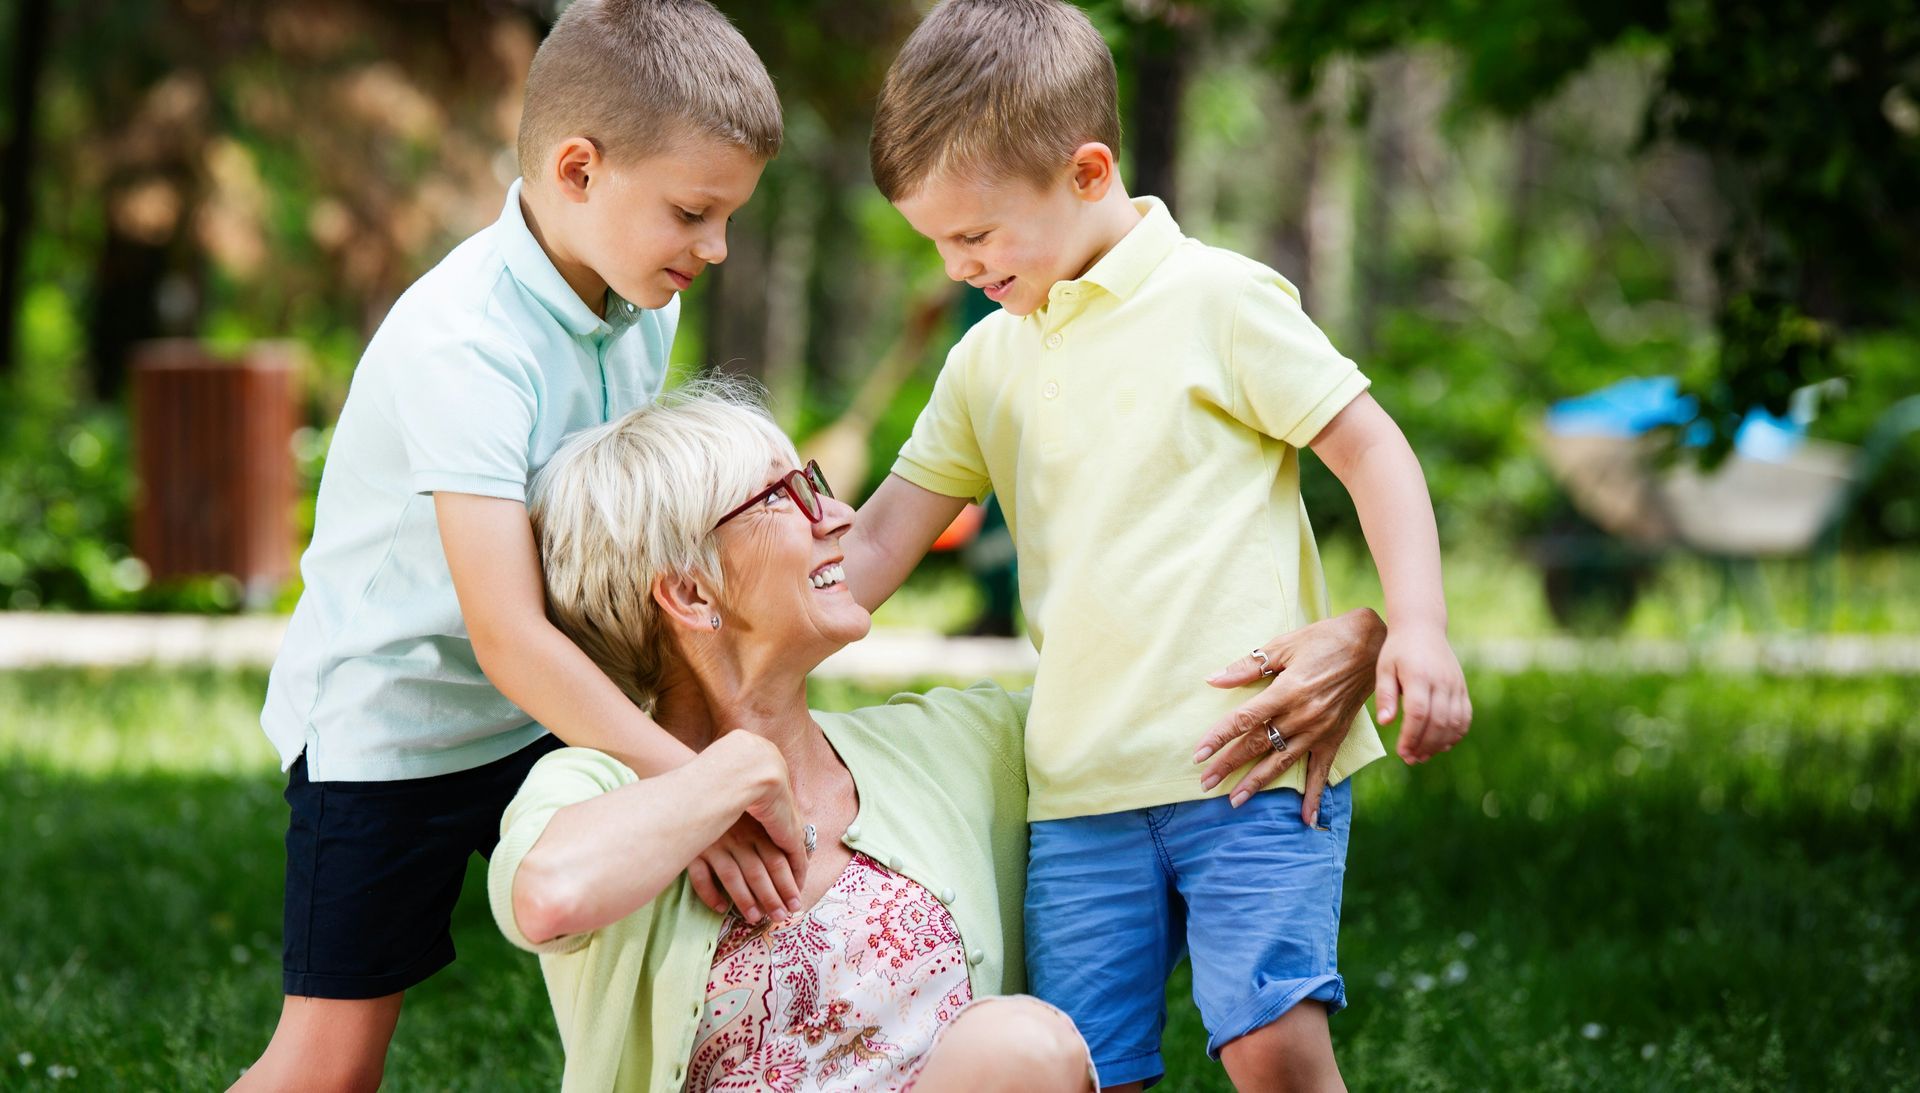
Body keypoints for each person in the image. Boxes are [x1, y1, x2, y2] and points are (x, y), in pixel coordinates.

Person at [844, 2, 1475, 1088]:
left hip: (1256, 760)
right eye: (938, 242)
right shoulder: (984, 363)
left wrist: (1417, 625)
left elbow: (1373, 451)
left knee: (1272, 1043)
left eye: (976, 234)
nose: (956, 266)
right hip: (1081, 790)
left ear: (1088, 173)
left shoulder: (1221, 301)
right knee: (1088, 1067)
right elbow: (882, 535)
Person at [491, 383, 1389, 1091]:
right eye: (784, 498)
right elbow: (551, 897)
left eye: (817, 486)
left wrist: (1350, 636)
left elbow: (1153, 711)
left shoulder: (956, 743)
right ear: (688, 592)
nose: (838, 516)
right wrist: (732, 771)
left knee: (1021, 1044)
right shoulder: (595, 783)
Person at [235, 4, 805, 1089]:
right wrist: (701, 785)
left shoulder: (643, 301)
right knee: (329, 1065)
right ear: (577, 169)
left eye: (729, 216)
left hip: (551, 714)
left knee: (685, 963)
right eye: (693, 211)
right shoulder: (465, 342)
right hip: (391, 731)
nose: (717, 248)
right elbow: (505, 633)